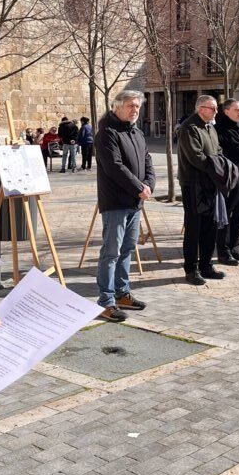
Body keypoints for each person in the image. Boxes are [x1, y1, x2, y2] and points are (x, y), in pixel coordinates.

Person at [94, 90, 155, 322]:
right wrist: (139, 186)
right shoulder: (107, 133)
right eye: (130, 105)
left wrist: (149, 184)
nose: (135, 110)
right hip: (116, 202)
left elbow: (148, 161)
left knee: (128, 249)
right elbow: (115, 167)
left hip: (135, 202)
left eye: (137, 106)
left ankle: (122, 293)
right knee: (111, 252)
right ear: (116, 106)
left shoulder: (137, 132)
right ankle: (106, 302)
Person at [177, 95, 224, 285]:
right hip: (193, 185)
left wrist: (219, 168)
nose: (215, 111)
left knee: (209, 226)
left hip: (210, 184)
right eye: (212, 108)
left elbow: (218, 151)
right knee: (194, 228)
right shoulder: (190, 127)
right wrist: (217, 168)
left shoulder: (210, 127)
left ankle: (206, 265)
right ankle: (191, 269)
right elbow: (196, 157)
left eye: (216, 108)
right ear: (200, 108)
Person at [214, 98, 239, 264]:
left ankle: (235, 248)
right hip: (229, 180)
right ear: (226, 111)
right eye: (237, 110)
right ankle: (223, 251)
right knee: (226, 216)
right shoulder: (218, 130)